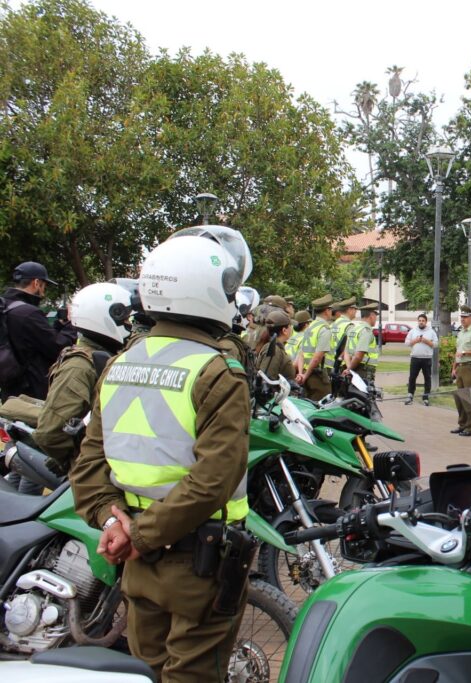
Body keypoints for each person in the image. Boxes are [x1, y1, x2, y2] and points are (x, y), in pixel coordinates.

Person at [70, 225, 255, 682]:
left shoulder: (119, 364)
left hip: (136, 564)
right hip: (198, 566)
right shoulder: (217, 371)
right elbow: (214, 478)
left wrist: (116, 526)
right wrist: (144, 533)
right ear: (208, 292)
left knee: (145, 669)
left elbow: (89, 463)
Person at [33, 282, 133, 480]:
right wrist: (81, 452)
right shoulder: (79, 366)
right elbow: (50, 433)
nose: (130, 325)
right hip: (92, 475)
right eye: (126, 319)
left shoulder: (105, 356)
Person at [1, 261, 77, 400]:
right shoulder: (29, 313)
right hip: (31, 391)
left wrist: (59, 325)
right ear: (36, 283)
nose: (44, 291)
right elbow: (58, 347)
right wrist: (72, 325)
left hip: (9, 386)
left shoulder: (6, 306)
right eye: (44, 285)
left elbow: (31, 339)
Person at [295, 294, 335, 401]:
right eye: (331, 309)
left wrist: (301, 373)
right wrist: (306, 375)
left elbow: (301, 354)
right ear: (327, 311)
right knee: (322, 408)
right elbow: (317, 357)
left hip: (305, 372)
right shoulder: (324, 329)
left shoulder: (310, 327)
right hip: (317, 376)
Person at [452, 305, 471, 437]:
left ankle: (470, 428)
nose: (462, 319)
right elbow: (457, 352)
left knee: (466, 399)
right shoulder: (461, 333)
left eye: (465, 317)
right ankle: (462, 425)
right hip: (460, 368)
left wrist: (465, 352)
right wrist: (454, 368)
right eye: (461, 317)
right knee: (459, 398)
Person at [254, 308, 296, 383]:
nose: (291, 328)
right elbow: (268, 381)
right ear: (284, 330)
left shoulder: (274, 347)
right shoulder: (273, 350)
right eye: (290, 326)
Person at [344, 303, 381, 386]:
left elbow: (346, 351)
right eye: (376, 316)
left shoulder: (353, 329)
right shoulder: (366, 331)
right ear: (371, 316)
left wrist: (349, 367)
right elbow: (359, 355)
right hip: (363, 370)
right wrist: (349, 369)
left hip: (352, 366)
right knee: (363, 396)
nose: (376, 319)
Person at [405, 313, 437, 405]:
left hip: (426, 359)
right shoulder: (413, 331)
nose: (421, 322)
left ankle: (426, 397)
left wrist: (426, 341)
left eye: (423, 321)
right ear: (418, 321)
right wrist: (416, 340)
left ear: (426, 322)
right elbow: (406, 343)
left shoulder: (431, 332)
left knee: (427, 378)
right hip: (415, 358)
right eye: (420, 320)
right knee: (412, 377)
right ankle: (410, 395)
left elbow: (436, 344)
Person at [329, 297, 358, 372]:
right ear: (349, 310)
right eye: (355, 309)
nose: (356, 311)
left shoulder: (332, 325)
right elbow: (350, 347)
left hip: (332, 362)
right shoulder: (349, 326)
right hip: (344, 364)